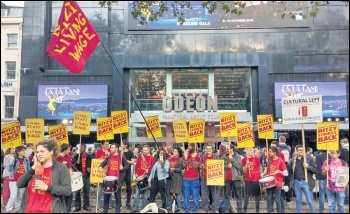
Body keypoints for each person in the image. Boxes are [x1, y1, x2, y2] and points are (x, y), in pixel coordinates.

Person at [16, 138, 71, 212]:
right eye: (37, 152)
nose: (39, 154)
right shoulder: (34, 168)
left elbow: (67, 190)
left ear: (51, 151)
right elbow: (19, 184)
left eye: (42, 151)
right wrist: (33, 168)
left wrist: (47, 187)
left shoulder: (61, 168)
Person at [98, 143, 129, 213]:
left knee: (117, 196)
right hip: (108, 179)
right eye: (110, 148)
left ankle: (117, 210)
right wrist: (100, 166)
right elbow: (103, 163)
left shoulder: (121, 157)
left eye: (112, 148)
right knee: (106, 195)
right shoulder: (109, 156)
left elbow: (127, 165)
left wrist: (122, 168)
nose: (110, 149)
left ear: (117, 149)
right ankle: (105, 210)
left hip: (118, 179)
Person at [288, 145, 316, 213]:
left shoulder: (309, 159)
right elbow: (290, 172)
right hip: (297, 182)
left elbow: (315, 170)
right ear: (296, 151)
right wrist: (290, 182)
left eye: (302, 150)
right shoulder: (292, 161)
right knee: (298, 200)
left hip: (306, 182)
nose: (301, 151)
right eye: (299, 150)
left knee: (310, 200)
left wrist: (308, 166)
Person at [5, 146, 30, 213]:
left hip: (22, 181)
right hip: (13, 180)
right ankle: (8, 210)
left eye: (24, 150)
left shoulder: (26, 159)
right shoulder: (14, 159)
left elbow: (28, 171)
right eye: (22, 150)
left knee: (20, 197)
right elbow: (9, 169)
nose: (24, 152)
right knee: (13, 195)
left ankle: (17, 210)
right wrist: (11, 161)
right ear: (18, 152)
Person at [132, 145, 155, 213]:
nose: (143, 151)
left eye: (145, 150)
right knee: (137, 194)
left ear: (149, 150)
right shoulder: (140, 157)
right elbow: (136, 166)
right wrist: (136, 173)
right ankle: (135, 208)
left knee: (145, 195)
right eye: (143, 150)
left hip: (146, 178)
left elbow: (152, 169)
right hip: (139, 178)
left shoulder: (152, 158)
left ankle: (145, 208)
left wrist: (149, 171)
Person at [264, 146, 288, 213]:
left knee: (277, 199)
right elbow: (267, 169)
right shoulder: (269, 159)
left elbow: (286, 173)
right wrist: (265, 171)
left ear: (274, 152)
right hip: (270, 182)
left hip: (278, 182)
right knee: (268, 199)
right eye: (269, 151)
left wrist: (279, 172)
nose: (269, 153)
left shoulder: (280, 160)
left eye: (270, 151)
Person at [222, 143, 243, 213]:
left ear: (232, 149)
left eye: (228, 149)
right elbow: (220, 166)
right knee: (227, 196)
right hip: (227, 179)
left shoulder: (238, 156)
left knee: (238, 196)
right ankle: (227, 210)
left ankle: (240, 210)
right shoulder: (224, 156)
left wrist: (232, 159)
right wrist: (227, 166)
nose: (226, 150)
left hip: (236, 178)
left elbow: (239, 167)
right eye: (226, 149)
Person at [72, 144, 93, 212]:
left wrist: (90, 169)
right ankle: (77, 206)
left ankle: (86, 206)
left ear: (85, 148)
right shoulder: (77, 156)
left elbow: (94, 163)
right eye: (79, 147)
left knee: (86, 192)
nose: (80, 148)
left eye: (81, 147)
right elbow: (72, 164)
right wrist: (76, 163)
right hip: (78, 176)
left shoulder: (89, 156)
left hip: (86, 176)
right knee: (77, 192)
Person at [55, 144, 74, 213]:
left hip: (67, 177)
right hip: (59, 178)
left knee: (69, 194)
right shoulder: (57, 157)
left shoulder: (68, 156)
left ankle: (68, 210)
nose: (69, 151)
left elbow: (70, 166)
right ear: (65, 149)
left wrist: (70, 171)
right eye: (68, 149)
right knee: (61, 195)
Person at [242, 147, 262, 213]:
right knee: (247, 195)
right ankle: (245, 210)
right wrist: (246, 166)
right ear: (246, 151)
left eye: (252, 150)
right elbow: (244, 171)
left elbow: (260, 167)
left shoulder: (256, 159)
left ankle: (257, 210)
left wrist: (261, 174)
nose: (252, 151)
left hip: (256, 179)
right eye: (250, 150)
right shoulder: (244, 160)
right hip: (248, 179)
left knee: (257, 195)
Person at [182, 143, 201, 213]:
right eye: (188, 146)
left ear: (193, 147)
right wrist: (186, 159)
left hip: (194, 179)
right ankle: (186, 208)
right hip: (186, 179)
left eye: (190, 146)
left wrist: (193, 159)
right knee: (186, 195)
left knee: (195, 195)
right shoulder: (186, 155)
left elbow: (195, 166)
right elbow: (183, 166)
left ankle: (195, 208)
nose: (188, 147)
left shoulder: (198, 157)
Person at [95, 141, 111, 210]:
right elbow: (98, 161)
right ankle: (98, 204)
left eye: (108, 144)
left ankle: (109, 205)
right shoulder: (98, 152)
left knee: (109, 190)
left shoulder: (111, 151)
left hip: (108, 173)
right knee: (100, 190)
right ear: (102, 145)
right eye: (106, 144)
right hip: (101, 173)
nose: (107, 145)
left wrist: (108, 155)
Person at [121, 140, 136, 210]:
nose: (121, 145)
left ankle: (128, 203)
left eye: (122, 144)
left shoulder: (130, 152)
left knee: (129, 189)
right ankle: (119, 204)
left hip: (128, 172)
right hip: (120, 172)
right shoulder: (120, 152)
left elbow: (133, 162)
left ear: (126, 145)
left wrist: (125, 161)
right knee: (119, 188)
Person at [168, 147, 183, 212]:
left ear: (178, 153)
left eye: (175, 151)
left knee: (178, 194)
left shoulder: (180, 160)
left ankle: (178, 207)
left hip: (177, 178)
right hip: (171, 178)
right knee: (171, 193)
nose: (174, 152)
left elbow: (180, 169)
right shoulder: (170, 159)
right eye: (173, 151)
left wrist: (174, 169)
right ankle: (171, 206)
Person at [339, 138, 349, 204]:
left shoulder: (342, 149)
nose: (340, 144)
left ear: (343, 142)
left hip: (344, 168)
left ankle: (346, 199)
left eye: (341, 143)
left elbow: (339, 158)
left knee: (344, 184)